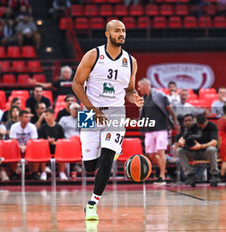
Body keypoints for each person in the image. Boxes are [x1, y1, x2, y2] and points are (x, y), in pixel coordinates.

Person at [72, 20, 144, 220]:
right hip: (89, 113)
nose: (121, 34)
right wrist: (92, 109)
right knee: (89, 167)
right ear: (107, 34)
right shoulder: (93, 55)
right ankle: (110, 150)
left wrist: (134, 97)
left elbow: (129, 90)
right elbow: (76, 84)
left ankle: (93, 203)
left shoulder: (131, 61)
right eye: (117, 30)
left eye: (123, 31)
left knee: (106, 158)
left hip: (115, 114)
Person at [137, 78, 178, 185]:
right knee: (151, 154)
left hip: (161, 128)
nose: (138, 88)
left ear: (145, 85)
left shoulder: (159, 95)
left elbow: (170, 109)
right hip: (149, 130)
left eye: (139, 86)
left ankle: (162, 177)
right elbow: (143, 114)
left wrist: (175, 122)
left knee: (161, 152)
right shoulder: (144, 98)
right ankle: (164, 169)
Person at [177, 113, 220, 186]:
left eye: (202, 124)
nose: (201, 126)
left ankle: (215, 174)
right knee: (180, 151)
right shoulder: (193, 127)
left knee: (211, 149)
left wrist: (201, 146)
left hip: (206, 153)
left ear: (206, 121)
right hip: (194, 153)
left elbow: (214, 142)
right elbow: (183, 137)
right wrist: (180, 141)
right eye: (199, 125)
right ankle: (190, 175)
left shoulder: (212, 126)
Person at [9, 110, 38, 179]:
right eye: (26, 117)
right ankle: (13, 173)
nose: (28, 118)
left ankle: (35, 172)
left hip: (29, 146)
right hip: (17, 147)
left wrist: (26, 147)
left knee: (36, 149)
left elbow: (34, 140)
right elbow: (13, 141)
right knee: (11, 150)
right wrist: (19, 147)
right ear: (20, 118)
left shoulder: (32, 126)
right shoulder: (14, 126)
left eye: (29, 117)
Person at [38, 108, 65, 180]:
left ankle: (62, 172)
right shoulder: (42, 127)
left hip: (57, 147)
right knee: (41, 151)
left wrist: (54, 143)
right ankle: (43, 172)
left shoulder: (59, 127)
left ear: (53, 115)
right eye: (44, 115)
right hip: (45, 148)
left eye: (47, 115)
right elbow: (40, 140)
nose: (45, 117)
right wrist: (47, 142)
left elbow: (62, 141)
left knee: (63, 151)